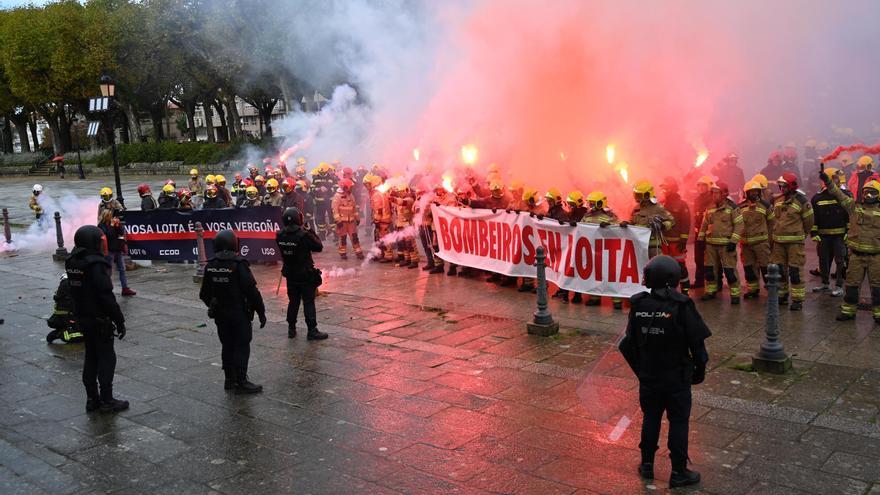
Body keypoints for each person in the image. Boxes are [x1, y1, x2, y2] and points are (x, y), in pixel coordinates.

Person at [618, 255, 710, 489]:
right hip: (676, 377)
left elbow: (627, 344)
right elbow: (697, 344)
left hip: (649, 376)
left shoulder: (638, 305)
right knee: (678, 421)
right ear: (673, 278)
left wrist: (641, 370)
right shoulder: (681, 305)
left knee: (651, 417)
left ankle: (647, 464)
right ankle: (678, 472)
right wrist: (700, 369)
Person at [66, 225, 129, 413]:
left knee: (91, 357)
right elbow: (105, 295)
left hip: (82, 316)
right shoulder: (95, 264)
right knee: (107, 358)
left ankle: (92, 399)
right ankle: (107, 400)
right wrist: (119, 319)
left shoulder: (72, 261)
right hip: (99, 318)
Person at [199, 229, 267, 394]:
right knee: (242, 346)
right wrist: (261, 311)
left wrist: (213, 305)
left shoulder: (211, 265)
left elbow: (204, 294)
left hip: (221, 314)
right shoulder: (238, 264)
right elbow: (252, 291)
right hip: (239, 314)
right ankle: (242, 381)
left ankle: (229, 379)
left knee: (227, 345)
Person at [821, 172, 880, 323]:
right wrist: (828, 181)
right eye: (866, 192)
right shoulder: (854, 207)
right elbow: (839, 194)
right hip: (856, 256)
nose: (869, 195)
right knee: (852, 285)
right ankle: (848, 311)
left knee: (877, 288)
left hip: (876, 256)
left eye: (873, 192)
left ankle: (878, 314)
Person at [277, 207, 328, 340]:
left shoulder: (280, 235)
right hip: (305, 274)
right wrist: (309, 229)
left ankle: (291, 329)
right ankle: (312, 330)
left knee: (293, 302)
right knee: (308, 302)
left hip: (290, 273)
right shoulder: (303, 235)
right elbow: (319, 246)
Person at [769, 173, 814, 310]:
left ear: (792, 186)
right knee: (780, 270)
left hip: (795, 243)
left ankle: (797, 300)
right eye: (780, 186)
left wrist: (801, 234)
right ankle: (782, 295)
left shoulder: (802, 201)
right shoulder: (778, 201)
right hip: (778, 243)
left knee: (795, 271)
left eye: (784, 186)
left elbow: (809, 222)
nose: (782, 189)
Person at [697, 182, 743, 304]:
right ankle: (710, 291)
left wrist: (733, 241)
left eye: (716, 193)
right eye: (712, 193)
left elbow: (739, 225)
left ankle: (735, 294)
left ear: (724, 194)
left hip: (726, 246)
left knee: (730, 271)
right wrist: (700, 239)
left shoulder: (732, 208)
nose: (713, 196)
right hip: (711, 245)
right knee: (710, 270)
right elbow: (704, 224)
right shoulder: (710, 208)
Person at [580, 191, 623, 309]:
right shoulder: (587, 216)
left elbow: (619, 230)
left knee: (611, 274)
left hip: (608, 250)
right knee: (595, 274)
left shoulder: (610, 216)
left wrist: (609, 227)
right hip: (593, 249)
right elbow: (581, 229)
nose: (591, 206)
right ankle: (594, 297)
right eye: (590, 203)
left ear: (600, 203)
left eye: (593, 204)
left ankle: (617, 300)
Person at [810, 167, 849, 296]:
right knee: (823, 260)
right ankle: (825, 284)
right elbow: (814, 218)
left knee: (840, 261)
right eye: (836, 178)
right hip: (823, 236)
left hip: (839, 235)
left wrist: (849, 232)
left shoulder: (846, 196)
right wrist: (814, 233)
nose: (839, 181)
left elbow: (850, 216)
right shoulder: (817, 198)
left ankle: (838, 285)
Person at [621, 180, 674, 259]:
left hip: (653, 247)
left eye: (639, 195)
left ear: (646, 195)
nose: (636, 197)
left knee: (655, 269)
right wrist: (627, 224)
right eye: (636, 194)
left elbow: (671, 221)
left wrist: (662, 225)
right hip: (639, 246)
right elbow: (632, 223)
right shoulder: (636, 209)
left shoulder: (658, 207)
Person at [739, 181, 772, 299]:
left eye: (756, 191)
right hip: (746, 244)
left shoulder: (766, 206)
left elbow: (772, 224)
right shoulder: (741, 207)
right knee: (749, 268)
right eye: (751, 192)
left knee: (765, 268)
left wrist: (770, 240)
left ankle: (771, 291)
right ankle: (753, 290)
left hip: (761, 243)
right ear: (746, 193)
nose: (754, 194)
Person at [659, 178, 692, 294]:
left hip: (677, 243)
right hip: (664, 243)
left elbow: (686, 223)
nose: (664, 190)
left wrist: (683, 241)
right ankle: (668, 289)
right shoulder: (661, 204)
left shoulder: (682, 205)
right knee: (665, 267)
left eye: (666, 188)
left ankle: (685, 290)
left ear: (673, 189)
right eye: (663, 188)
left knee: (680, 267)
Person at [98, 210, 136, 297]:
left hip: (118, 249)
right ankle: (108, 289)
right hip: (109, 250)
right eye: (109, 216)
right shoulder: (101, 226)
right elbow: (108, 235)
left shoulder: (114, 224)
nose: (111, 218)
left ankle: (125, 288)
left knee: (122, 269)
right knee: (109, 271)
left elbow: (121, 233)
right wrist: (111, 226)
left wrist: (118, 225)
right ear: (105, 217)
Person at [45, 274, 84, 344]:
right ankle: (62, 334)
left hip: (60, 316)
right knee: (90, 333)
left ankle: (63, 330)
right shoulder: (72, 284)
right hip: (68, 316)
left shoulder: (64, 283)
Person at [691, 176, 714, 289]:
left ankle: (713, 283)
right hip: (697, 234)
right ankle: (699, 281)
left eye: (703, 185)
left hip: (709, 234)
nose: (700, 188)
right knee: (698, 259)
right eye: (699, 185)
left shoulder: (712, 200)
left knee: (711, 260)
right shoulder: (697, 200)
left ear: (708, 187)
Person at [331, 178, 363, 259]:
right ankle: (343, 253)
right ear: (345, 187)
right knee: (343, 238)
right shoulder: (337, 196)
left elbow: (354, 208)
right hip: (342, 222)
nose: (351, 189)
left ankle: (358, 252)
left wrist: (357, 218)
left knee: (354, 237)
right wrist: (338, 221)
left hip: (351, 221)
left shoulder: (351, 195)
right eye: (350, 187)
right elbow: (335, 210)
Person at [390, 183, 419, 268]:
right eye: (399, 192)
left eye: (401, 191)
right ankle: (407, 259)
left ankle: (414, 260)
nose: (400, 193)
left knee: (410, 243)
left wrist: (392, 198)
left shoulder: (409, 199)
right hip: (401, 225)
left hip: (408, 225)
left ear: (406, 190)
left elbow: (403, 202)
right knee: (403, 244)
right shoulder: (400, 198)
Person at [311, 163, 336, 241]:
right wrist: (317, 189)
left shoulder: (332, 178)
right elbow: (311, 188)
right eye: (320, 172)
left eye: (323, 172)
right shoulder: (315, 179)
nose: (321, 174)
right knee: (320, 219)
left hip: (329, 202)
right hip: (319, 203)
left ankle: (336, 235)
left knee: (332, 218)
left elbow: (336, 188)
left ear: (327, 171)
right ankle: (322, 235)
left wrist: (328, 190)